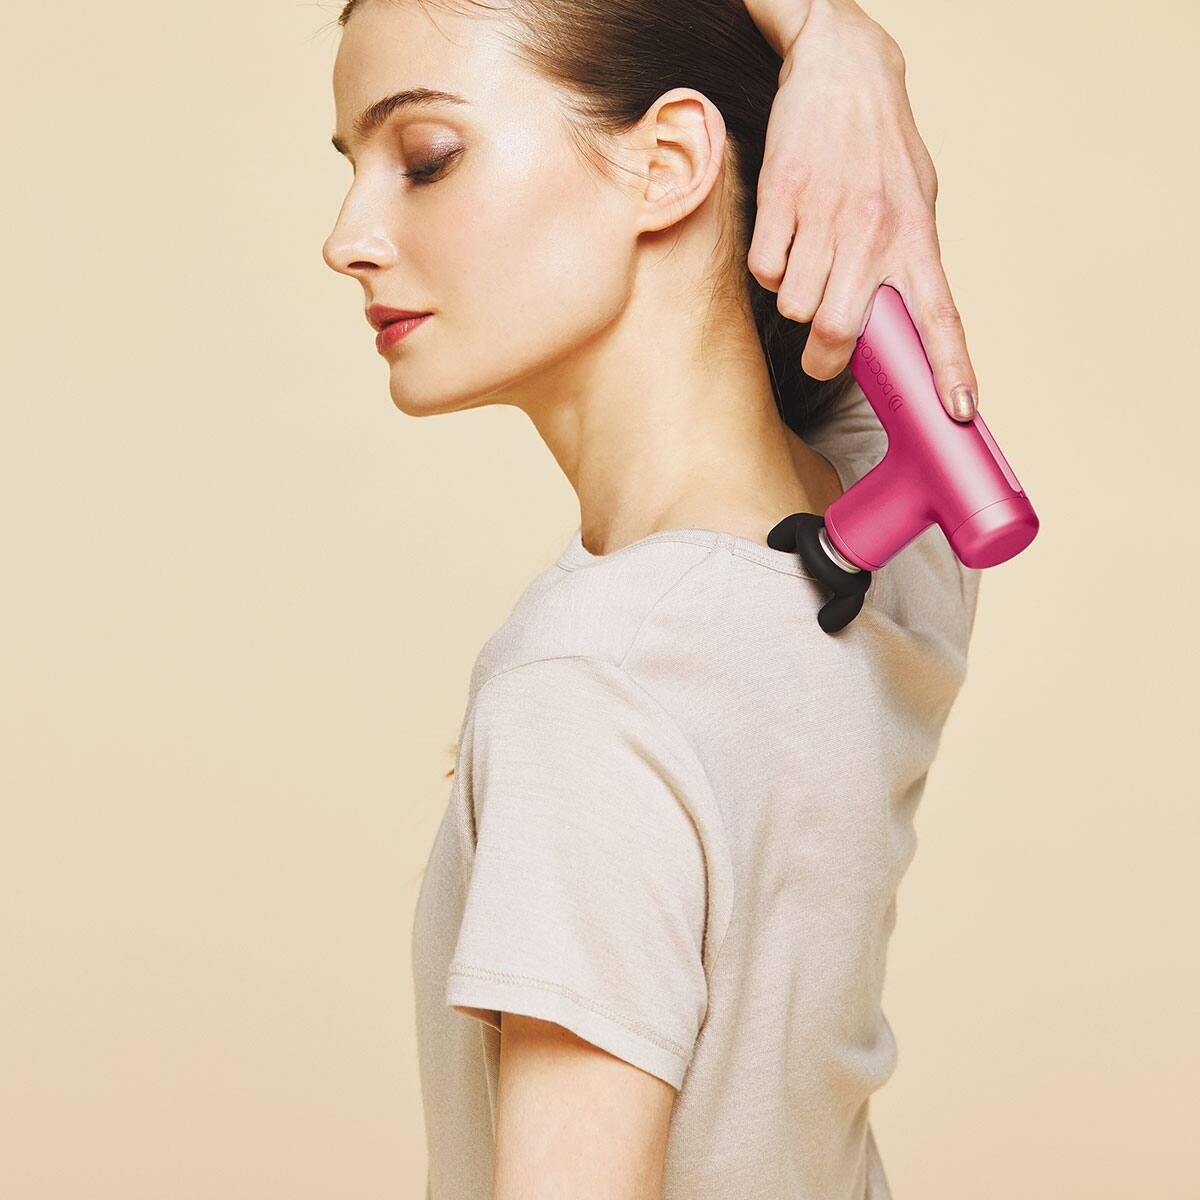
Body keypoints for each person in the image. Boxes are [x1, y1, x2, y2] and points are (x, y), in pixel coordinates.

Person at [321, 0, 982, 1196]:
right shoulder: (904, 527)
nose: (347, 238)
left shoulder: (592, 684)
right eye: (352, 168)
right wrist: (837, 40)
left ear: (670, 161)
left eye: (425, 158)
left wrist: (835, 43)